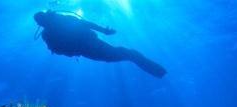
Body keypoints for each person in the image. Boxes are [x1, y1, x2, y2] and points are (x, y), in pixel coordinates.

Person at [33, 10, 167, 78]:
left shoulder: (51, 30)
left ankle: (158, 71)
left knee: (123, 54)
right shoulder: (51, 31)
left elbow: (83, 24)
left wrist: (104, 31)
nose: (42, 22)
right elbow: (85, 24)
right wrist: (103, 31)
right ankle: (157, 71)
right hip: (88, 46)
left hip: (88, 46)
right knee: (123, 53)